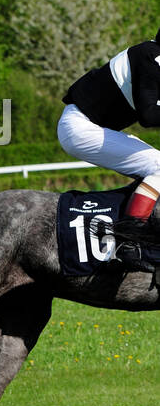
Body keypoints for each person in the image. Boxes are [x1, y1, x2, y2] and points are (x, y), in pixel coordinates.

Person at [60, 30, 160, 270]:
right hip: (81, 127)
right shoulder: (150, 55)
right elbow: (149, 115)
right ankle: (129, 241)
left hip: (89, 126)